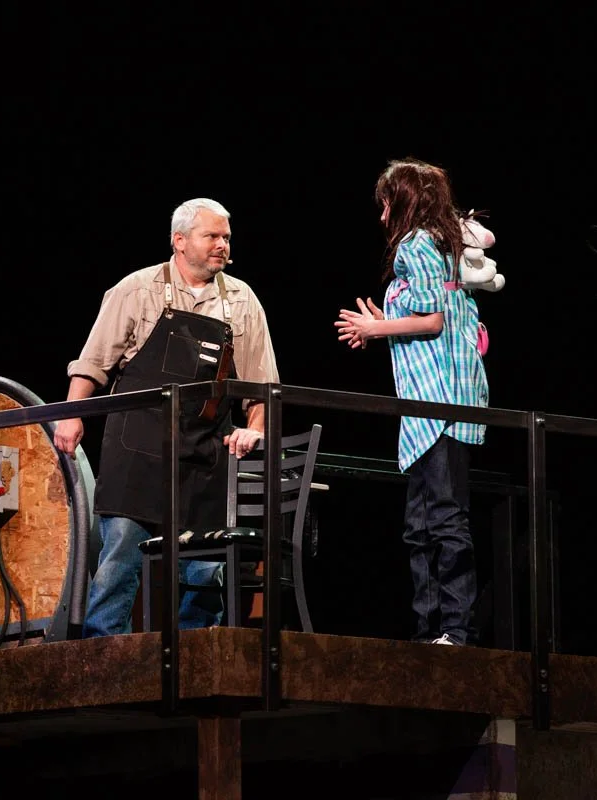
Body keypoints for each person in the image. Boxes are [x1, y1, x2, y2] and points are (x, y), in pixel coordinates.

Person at [53, 198, 280, 638]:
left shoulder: (242, 301)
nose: (222, 245)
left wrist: (255, 429)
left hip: (205, 451)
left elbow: (261, 385)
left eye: (226, 237)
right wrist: (72, 414)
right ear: (180, 241)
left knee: (206, 572)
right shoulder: (137, 289)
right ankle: (103, 655)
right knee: (119, 560)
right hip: (138, 445)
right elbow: (93, 361)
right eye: (211, 236)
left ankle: (197, 654)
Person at [334, 158, 490, 646]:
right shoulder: (442, 245)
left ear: (403, 202)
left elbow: (432, 320)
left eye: (386, 205)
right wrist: (380, 326)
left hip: (438, 400)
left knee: (443, 517)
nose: (382, 216)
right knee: (420, 524)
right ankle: (430, 632)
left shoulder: (416, 243)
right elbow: (431, 314)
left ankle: (456, 631)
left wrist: (375, 328)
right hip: (438, 400)